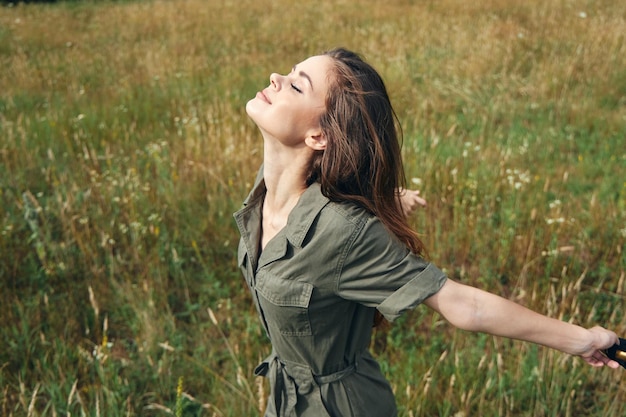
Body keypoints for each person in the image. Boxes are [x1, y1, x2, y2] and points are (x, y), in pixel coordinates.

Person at [233, 47, 620, 417]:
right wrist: (386, 198)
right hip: (285, 399)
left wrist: (582, 339)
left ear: (319, 136)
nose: (276, 77)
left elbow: (465, 305)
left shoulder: (344, 233)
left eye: (298, 84)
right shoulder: (266, 189)